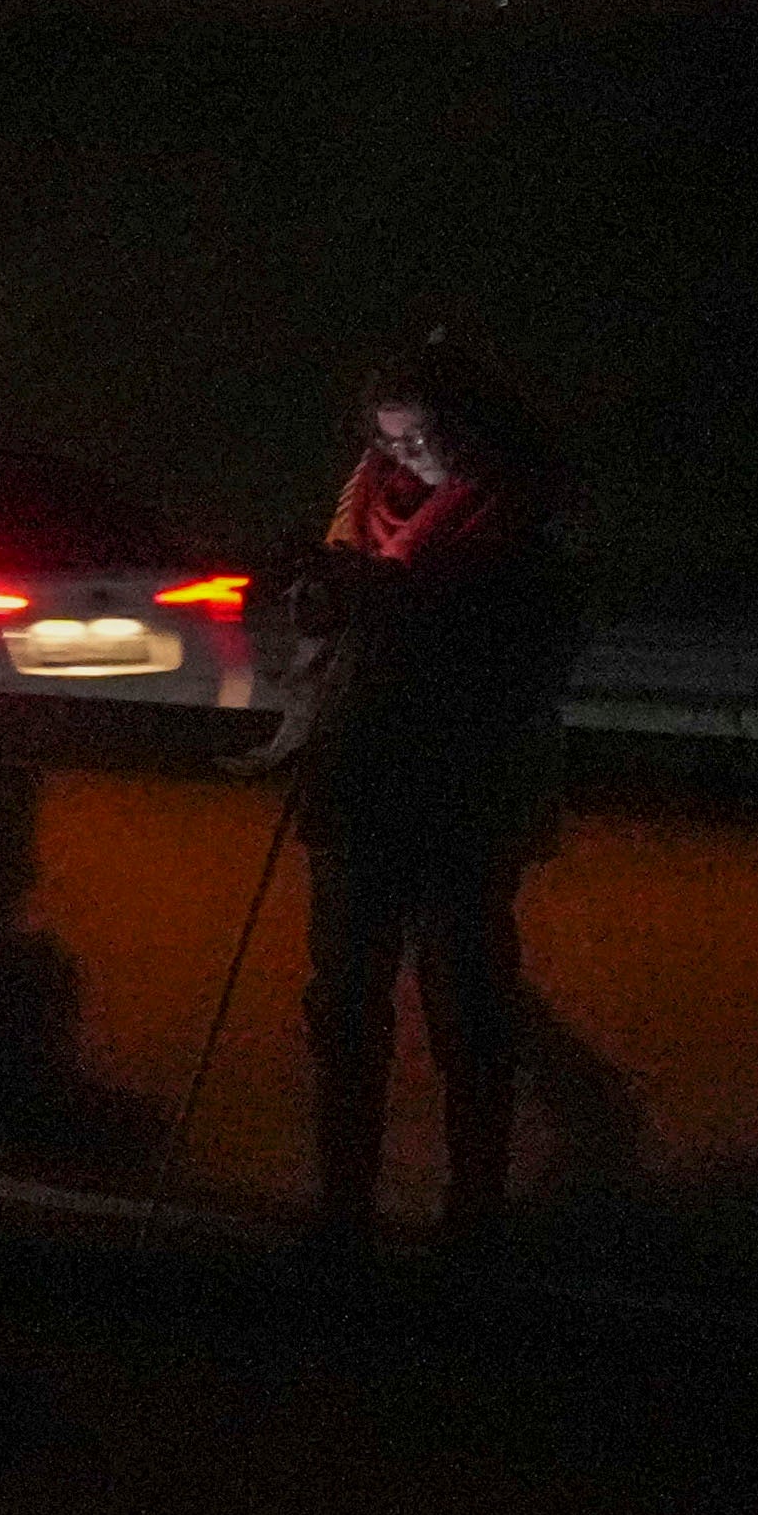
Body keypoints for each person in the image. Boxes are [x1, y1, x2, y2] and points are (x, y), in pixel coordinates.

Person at [265, 333, 584, 1268]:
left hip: (464, 791)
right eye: (390, 444)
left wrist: (391, 601)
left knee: (467, 1002)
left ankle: (475, 1212)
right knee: (345, 1003)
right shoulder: (362, 506)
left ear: (472, 433)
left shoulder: (523, 519)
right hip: (361, 779)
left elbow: (526, 653)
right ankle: (341, 1208)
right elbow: (331, 636)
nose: (404, 462)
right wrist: (317, 600)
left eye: (421, 443)